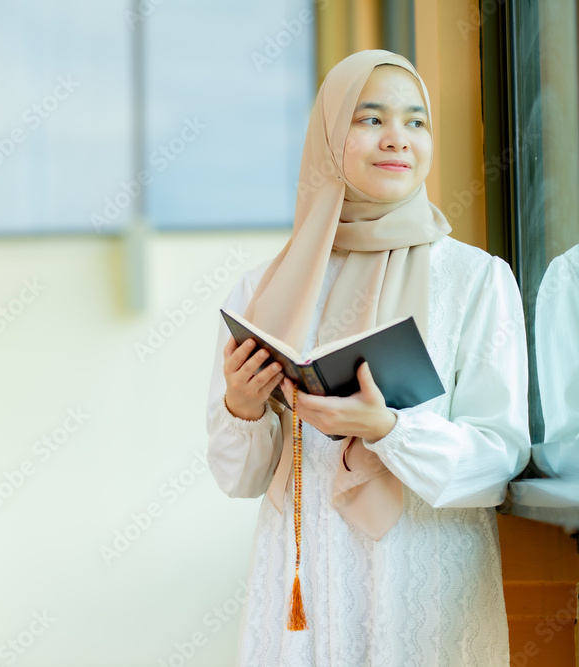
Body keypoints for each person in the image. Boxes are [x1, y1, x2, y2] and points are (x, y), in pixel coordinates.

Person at [205, 49, 531, 665]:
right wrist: (242, 407)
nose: (397, 140)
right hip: (303, 578)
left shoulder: (476, 279)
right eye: (369, 118)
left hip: (427, 581)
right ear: (330, 137)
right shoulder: (263, 289)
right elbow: (238, 479)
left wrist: (389, 430)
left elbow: (499, 457)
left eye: (416, 122)